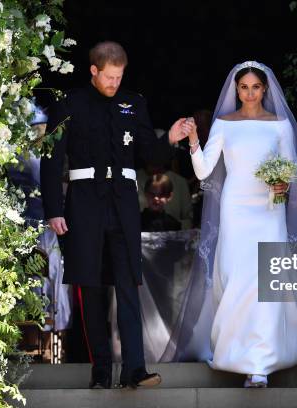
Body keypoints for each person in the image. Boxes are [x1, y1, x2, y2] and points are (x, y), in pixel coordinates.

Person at [40, 41, 191, 389]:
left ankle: (135, 369)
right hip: (84, 204)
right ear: (94, 71)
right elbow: (51, 160)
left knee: (128, 286)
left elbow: (149, 152)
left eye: (119, 77)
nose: (113, 83)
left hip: (123, 206)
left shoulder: (133, 103)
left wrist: (169, 137)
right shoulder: (70, 103)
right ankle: (101, 371)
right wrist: (53, 210)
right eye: (108, 77)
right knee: (90, 288)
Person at [171, 61, 297, 388]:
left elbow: (290, 174)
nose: (250, 93)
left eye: (256, 87)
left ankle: (260, 364)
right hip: (235, 209)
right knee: (237, 277)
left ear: (265, 89)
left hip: (269, 212)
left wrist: (280, 191)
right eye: (244, 87)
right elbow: (203, 172)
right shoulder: (224, 124)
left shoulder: (280, 125)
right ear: (236, 90)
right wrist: (194, 140)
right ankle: (236, 353)